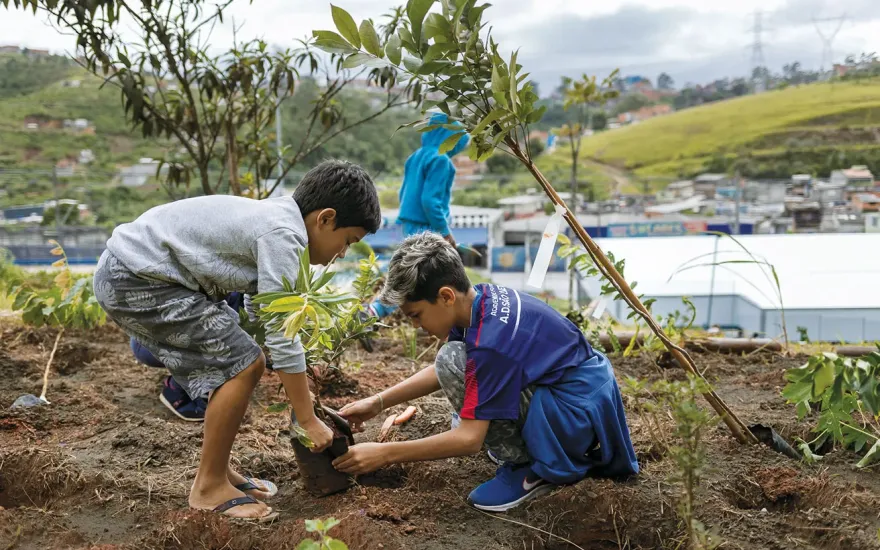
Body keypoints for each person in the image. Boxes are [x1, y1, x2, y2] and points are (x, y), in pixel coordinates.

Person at [92, 160, 381, 521]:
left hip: (135, 272)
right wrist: (306, 419)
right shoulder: (284, 235)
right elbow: (279, 327)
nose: (342, 253)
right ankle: (209, 486)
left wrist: (292, 365)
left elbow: (260, 307)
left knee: (240, 358)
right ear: (325, 219)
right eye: (347, 241)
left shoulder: (280, 218)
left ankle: (219, 471)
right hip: (137, 278)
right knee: (244, 363)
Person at [334, 233, 639, 512]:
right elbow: (454, 368)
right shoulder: (479, 300)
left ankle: (528, 467)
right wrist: (377, 403)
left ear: (445, 297)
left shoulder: (491, 344)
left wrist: (385, 453)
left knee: (452, 361)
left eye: (416, 315)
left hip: (571, 414)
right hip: (578, 390)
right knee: (453, 359)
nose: (416, 326)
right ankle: (523, 443)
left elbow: (468, 440)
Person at [366, 112, 469, 321]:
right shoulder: (441, 161)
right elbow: (431, 201)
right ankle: (375, 310)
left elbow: (403, 193)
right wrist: (444, 232)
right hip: (427, 226)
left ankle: (374, 305)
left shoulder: (415, 156)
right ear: (450, 139)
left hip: (409, 221)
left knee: (408, 267)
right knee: (415, 275)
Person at [130, 293, 245, 422]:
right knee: (226, 340)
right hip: (150, 342)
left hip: (164, 334)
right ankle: (178, 388)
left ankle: (196, 378)